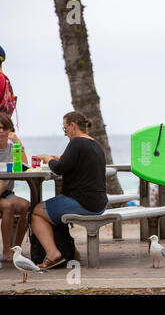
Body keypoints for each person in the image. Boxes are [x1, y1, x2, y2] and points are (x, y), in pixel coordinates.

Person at [31, 111, 108, 269]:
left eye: (65, 129)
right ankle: (72, 253)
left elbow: (58, 169)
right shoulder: (95, 144)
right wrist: (59, 160)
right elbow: (74, 165)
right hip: (98, 202)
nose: (65, 134)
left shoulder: (77, 142)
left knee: (36, 212)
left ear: (72, 126)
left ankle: (52, 253)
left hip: (83, 203)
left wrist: (48, 159)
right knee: (53, 213)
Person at [0, 113, 30, 262]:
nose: (1, 131)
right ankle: (6, 251)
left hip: (6, 192)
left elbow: (25, 167)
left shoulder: (13, 147)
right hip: (3, 197)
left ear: (10, 130)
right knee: (8, 206)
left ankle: (16, 248)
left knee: (27, 206)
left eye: (4, 128)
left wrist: (17, 140)